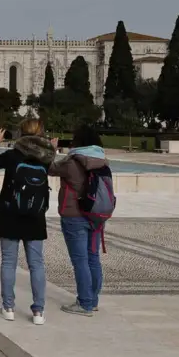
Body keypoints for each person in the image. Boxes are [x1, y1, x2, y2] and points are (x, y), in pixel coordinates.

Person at [0, 118, 55, 326]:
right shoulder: (45, 157)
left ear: (20, 133)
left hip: (9, 212)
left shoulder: (13, 155)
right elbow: (51, 168)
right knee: (36, 264)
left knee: (8, 262)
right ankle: (38, 311)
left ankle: (8, 308)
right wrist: (52, 148)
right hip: (35, 215)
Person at [49, 125, 112, 317]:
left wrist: (52, 150)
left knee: (80, 260)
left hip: (74, 216)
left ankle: (84, 304)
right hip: (96, 217)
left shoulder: (72, 162)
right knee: (93, 258)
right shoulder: (103, 161)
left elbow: (50, 168)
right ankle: (92, 300)